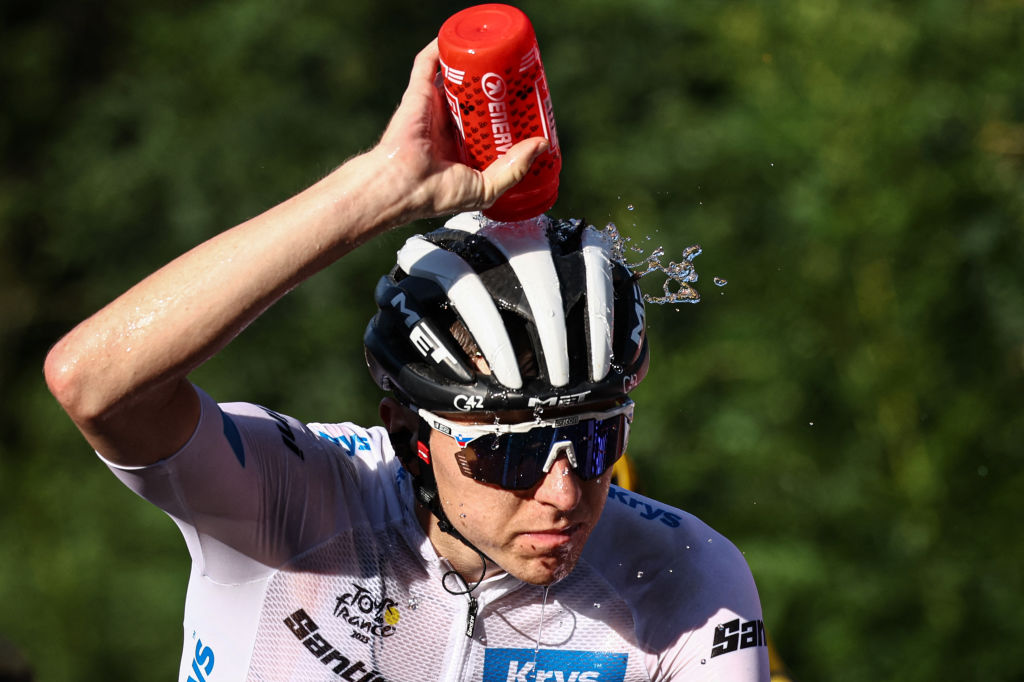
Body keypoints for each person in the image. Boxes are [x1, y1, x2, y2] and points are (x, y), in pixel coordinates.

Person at [45, 40, 769, 681]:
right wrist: (383, 188)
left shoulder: (685, 581)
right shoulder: (292, 501)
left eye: (594, 440)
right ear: (408, 434)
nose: (563, 493)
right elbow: (94, 383)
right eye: (509, 454)